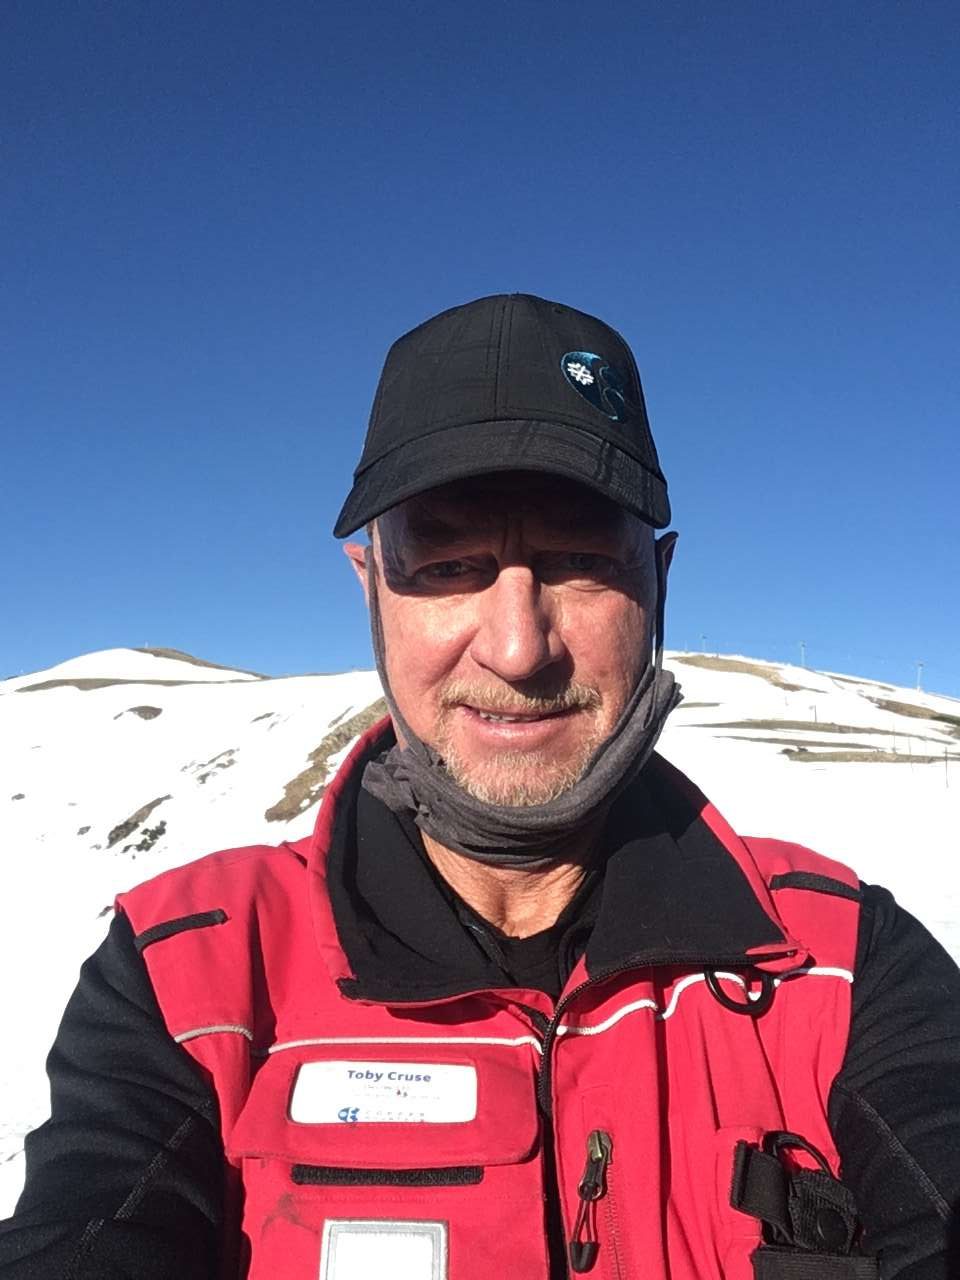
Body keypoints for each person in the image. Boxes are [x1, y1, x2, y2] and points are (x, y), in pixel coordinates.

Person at [1, 294, 958, 1280]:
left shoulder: (843, 965)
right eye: (448, 563)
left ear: (660, 582)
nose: (516, 645)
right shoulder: (191, 974)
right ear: (368, 584)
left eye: (583, 563)